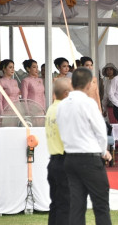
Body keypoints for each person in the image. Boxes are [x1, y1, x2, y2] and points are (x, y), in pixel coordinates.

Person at [56, 68, 112, 225]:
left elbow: (61, 130)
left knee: (76, 206)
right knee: (101, 205)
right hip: (89, 158)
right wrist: (103, 151)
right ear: (89, 84)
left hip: (70, 158)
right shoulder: (88, 103)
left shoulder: (62, 105)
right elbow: (101, 132)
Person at [45, 78, 72, 225]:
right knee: (65, 206)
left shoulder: (52, 108)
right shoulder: (64, 110)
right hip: (64, 161)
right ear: (66, 93)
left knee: (55, 204)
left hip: (54, 161)